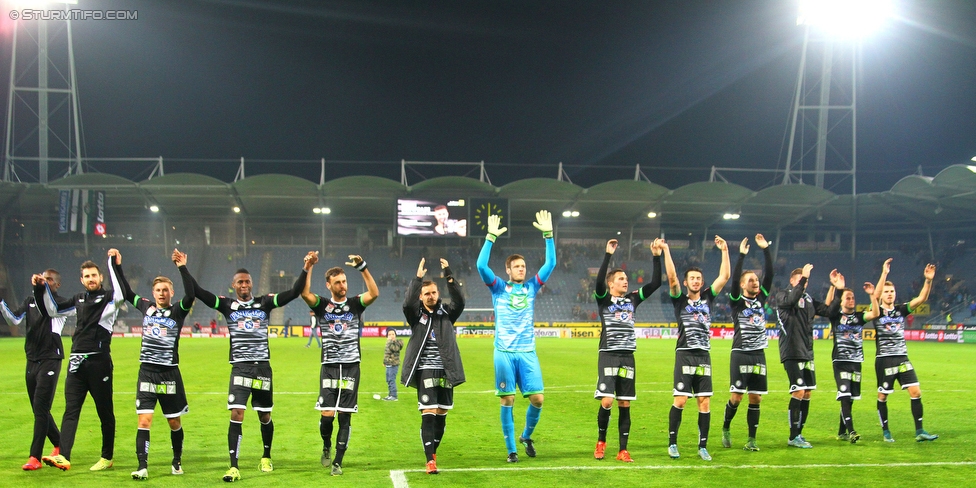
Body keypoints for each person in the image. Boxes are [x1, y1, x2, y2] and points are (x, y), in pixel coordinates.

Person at [191, 253, 311, 482]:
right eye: (240, 282)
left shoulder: (264, 302)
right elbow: (198, 292)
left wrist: (305, 268)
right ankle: (233, 466)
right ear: (233, 285)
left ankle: (266, 456)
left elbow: (294, 292)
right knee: (237, 413)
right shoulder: (226, 305)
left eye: (247, 281)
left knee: (265, 415)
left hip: (262, 369)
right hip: (240, 368)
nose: (244, 285)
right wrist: (183, 267)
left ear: (251, 283)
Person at [477, 210, 555, 463]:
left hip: (527, 351)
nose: (522, 269)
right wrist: (490, 237)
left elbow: (550, 264)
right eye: (517, 266)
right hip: (504, 351)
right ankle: (511, 450)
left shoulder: (532, 287)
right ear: (508, 270)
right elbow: (480, 266)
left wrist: (548, 235)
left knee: (538, 399)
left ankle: (526, 436)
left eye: (523, 266)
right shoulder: (499, 288)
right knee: (508, 399)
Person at [38, 252, 125, 471]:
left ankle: (107, 457)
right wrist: (41, 289)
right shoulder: (78, 299)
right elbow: (52, 310)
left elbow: (122, 294)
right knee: (71, 410)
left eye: (94, 275)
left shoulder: (109, 299)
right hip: (76, 363)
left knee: (104, 411)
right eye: (86, 276)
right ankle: (63, 456)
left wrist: (113, 264)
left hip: (99, 363)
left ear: (101, 277)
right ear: (81, 280)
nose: (90, 279)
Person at [117, 249, 196, 479]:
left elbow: (191, 295)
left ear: (171, 292)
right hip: (147, 373)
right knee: (144, 419)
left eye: (165, 290)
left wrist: (182, 267)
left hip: (169, 374)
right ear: (153, 293)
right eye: (158, 290)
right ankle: (142, 466)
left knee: (174, 421)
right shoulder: (145, 307)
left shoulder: (177, 311)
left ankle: (177, 460)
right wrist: (118, 266)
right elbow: (126, 291)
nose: (161, 293)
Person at [302, 252, 379, 476]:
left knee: (345, 415)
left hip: (351, 366)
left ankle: (338, 460)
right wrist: (309, 267)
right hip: (329, 366)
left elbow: (374, 293)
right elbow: (304, 293)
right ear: (329, 285)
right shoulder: (322, 305)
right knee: (327, 416)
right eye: (337, 282)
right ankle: (326, 445)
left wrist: (362, 267)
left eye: (344, 281)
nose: (342, 285)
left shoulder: (355, 304)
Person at [592, 238, 662, 463]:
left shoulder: (633, 299)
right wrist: (607, 255)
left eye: (626, 278)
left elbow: (656, 283)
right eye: (620, 279)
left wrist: (656, 256)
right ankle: (601, 442)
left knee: (624, 402)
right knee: (607, 401)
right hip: (609, 355)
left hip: (627, 357)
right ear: (611, 283)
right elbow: (597, 286)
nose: (625, 281)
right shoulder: (604, 300)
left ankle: (623, 450)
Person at [661, 236, 730, 461]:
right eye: (692, 278)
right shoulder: (679, 300)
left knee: (705, 401)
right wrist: (666, 250)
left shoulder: (708, 297)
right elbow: (671, 277)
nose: (696, 281)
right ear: (686, 282)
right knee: (680, 400)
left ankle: (702, 446)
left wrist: (725, 251)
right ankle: (672, 443)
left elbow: (725, 276)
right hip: (685, 354)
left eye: (699, 278)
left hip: (704, 356)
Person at [401, 257, 465, 474]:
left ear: (438, 294)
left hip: (447, 369)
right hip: (425, 369)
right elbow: (407, 303)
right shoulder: (415, 314)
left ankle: (433, 451)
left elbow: (460, 301)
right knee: (428, 411)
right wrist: (417, 279)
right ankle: (430, 460)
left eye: (433, 293)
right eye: (426, 293)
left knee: (441, 414)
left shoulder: (447, 313)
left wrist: (448, 274)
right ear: (421, 295)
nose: (430, 296)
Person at [1, 269, 67, 471]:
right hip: (32, 359)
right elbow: (14, 320)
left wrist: (40, 289)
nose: (45, 282)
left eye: (50, 280)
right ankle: (59, 443)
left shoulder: (60, 304)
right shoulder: (30, 300)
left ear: (57, 285)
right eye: (44, 278)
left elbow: (48, 307)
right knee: (39, 409)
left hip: (50, 359)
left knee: (40, 408)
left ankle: (35, 456)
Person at [866, 258, 939, 442]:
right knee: (883, 396)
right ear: (882, 294)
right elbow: (874, 296)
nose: (889, 294)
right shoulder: (876, 311)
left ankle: (920, 431)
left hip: (902, 358)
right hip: (884, 359)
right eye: (886, 292)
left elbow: (922, 298)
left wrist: (928, 280)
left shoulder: (901, 310)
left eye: (892, 291)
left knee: (916, 392)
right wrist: (884, 273)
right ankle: (886, 431)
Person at [721, 235, 773, 452]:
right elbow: (733, 280)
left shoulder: (761, 299)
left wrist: (765, 249)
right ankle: (726, 427)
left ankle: (752, 439)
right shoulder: (737, 302)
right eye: (751, 280)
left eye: (757, 280)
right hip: (741, 352)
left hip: (759, 353)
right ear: (742, 285)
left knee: (756, 397)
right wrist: (741, 255)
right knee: (737, 397)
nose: (756, 282)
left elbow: (770, 274)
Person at [775, 263, 830, 448]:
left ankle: (799, 433)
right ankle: (792, 437)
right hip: (791, 351)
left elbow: (828, 311)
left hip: (807, 352)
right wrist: (804, 278)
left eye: (805, 280)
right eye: (799, 279)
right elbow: (791, 300)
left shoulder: (808, 299)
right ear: (792, 280)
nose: (803, 282)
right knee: (798, 391)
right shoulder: (782, 295)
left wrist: (836, 288)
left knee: (806, 393)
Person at [824, 269, 880, 445]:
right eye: (848, 298)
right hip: (840, 361)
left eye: (853, 298)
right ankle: (852, 431)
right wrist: (834, 287)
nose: (851, 300)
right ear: (841, 301)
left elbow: (875, 314)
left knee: (851, 398)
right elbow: (827, 306)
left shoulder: (859, 317)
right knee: (845, 395)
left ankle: (841, 431)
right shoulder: (836, 316)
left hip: (856, 361)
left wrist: (872, 296)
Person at [383, 329, 403, 401]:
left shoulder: (397, 343)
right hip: (388, 364)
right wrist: (384, 362)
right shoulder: (389, 342)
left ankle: (394, 396)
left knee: (391, 380)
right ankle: (390, 394)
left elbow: (394, 349)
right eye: (389, 334)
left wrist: (390, 341)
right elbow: (387, 353)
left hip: (394, 364)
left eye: (393, 334)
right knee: (388, 380)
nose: (391, 336)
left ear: (395, 335)